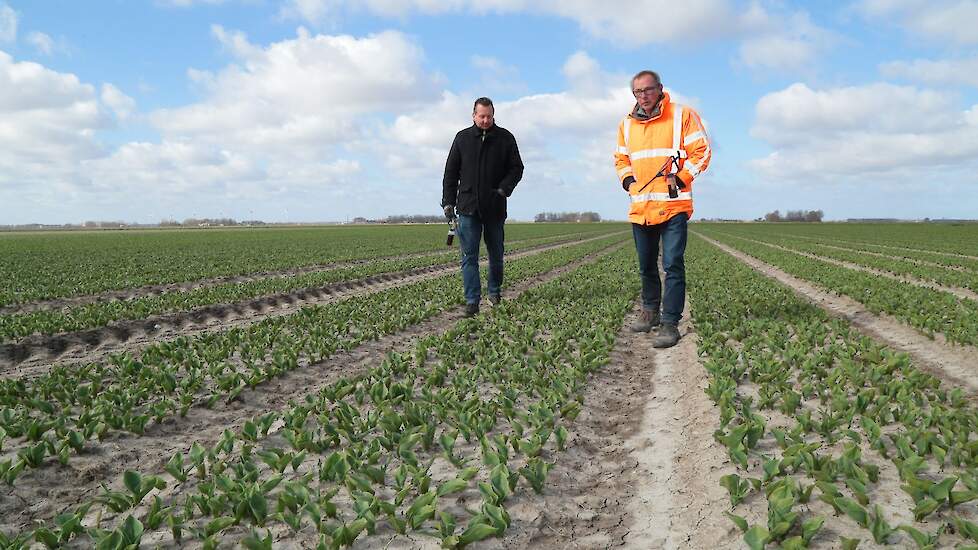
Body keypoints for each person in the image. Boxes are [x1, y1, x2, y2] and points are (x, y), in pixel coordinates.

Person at [615, 70, 712, 348]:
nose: (643, 96)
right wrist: (629, 181)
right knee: (646, 266)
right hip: (641, 207)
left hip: (673, 206)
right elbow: (621, 158)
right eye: (637, 92)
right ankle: (649, 313)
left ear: (660, 89)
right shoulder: (626, 124)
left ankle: (670, 323)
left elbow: (702, 151)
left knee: (672, 265)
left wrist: (681, 178)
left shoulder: (682, 115)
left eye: (647, 90)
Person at [442, 97, 524, 317]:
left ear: (493, 114)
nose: (486, 120)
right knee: (469, 256)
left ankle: (494, 292)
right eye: (481, 116)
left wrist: (503, 190)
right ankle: (472, 301)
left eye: (489, 116)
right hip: (468, 207)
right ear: (473, 115)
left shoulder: (505, 138)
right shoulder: (462, 138)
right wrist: (448, 202)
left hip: (495, 207)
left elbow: (517, 168)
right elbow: (450, 173)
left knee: (496, 254)